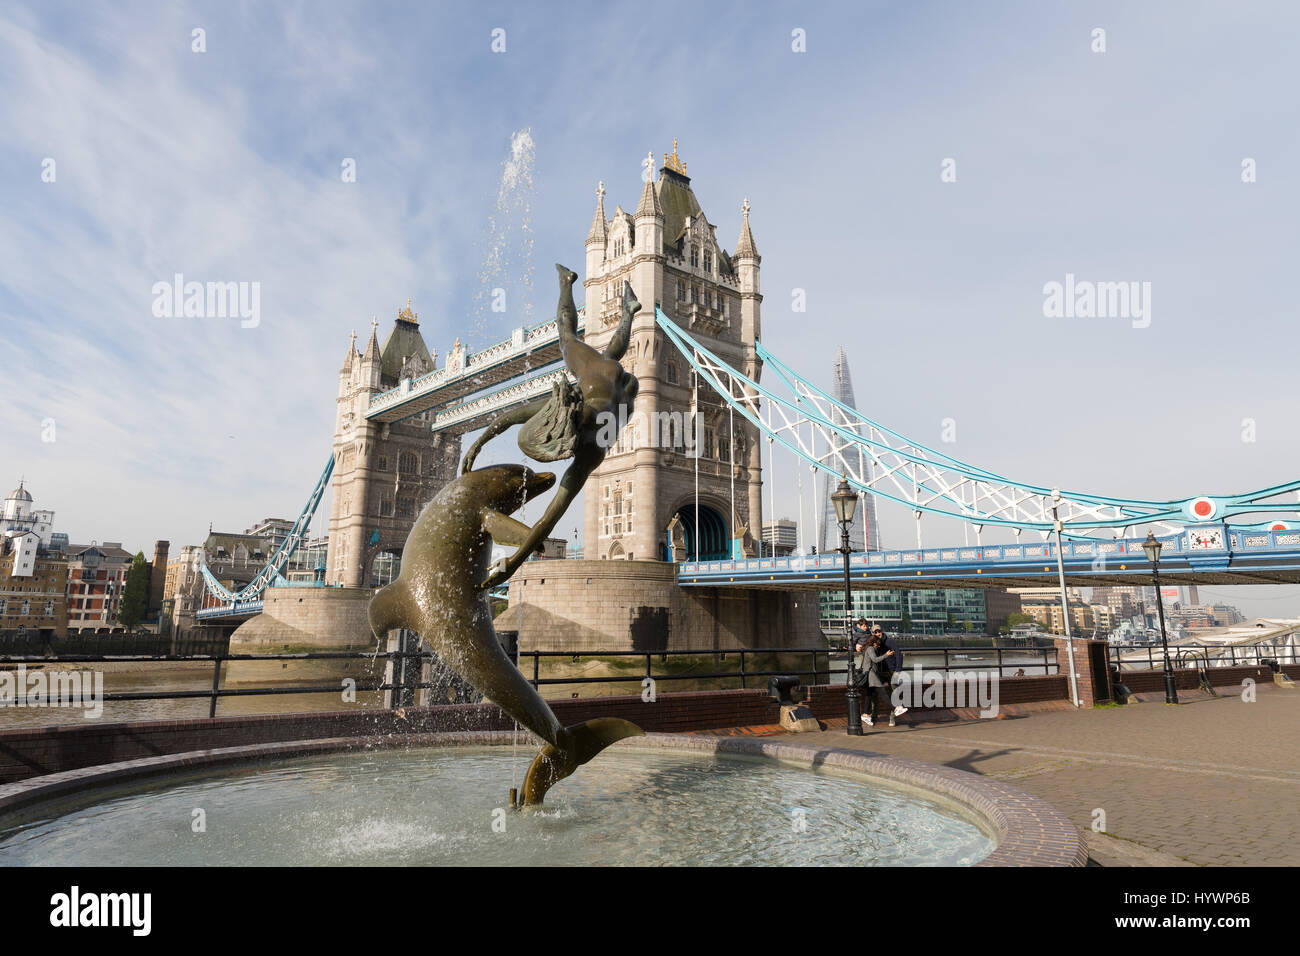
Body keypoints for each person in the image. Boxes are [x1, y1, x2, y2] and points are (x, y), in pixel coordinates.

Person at [854, 630, 894, 728]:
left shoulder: (868, 648)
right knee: (882, 692)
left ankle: (866, 715)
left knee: (869, 695)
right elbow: (875, 659)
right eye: (877, 644)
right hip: (871, 675)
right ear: (873, 642)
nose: (878, 646)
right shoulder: (871, 648)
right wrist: (886, 655)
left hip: (869, 675)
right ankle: (896, 708)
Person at [872, 624, 909, 726]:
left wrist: (898, 670)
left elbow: (898, 655)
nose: (878, 634)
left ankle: (892, 718)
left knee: (894, 692)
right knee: (873, 691)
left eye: (879, 631)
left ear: (882, 631)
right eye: (875, 632)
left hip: (891, 671)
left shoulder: (890, 641)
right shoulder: (874, 644)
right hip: (879, 672)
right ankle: (873, 717)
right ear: (873, 634)